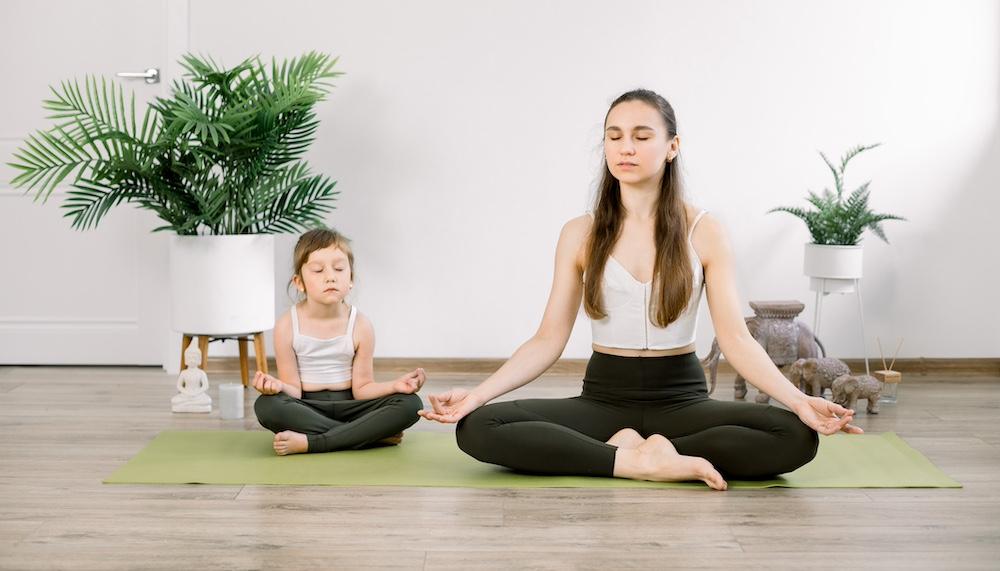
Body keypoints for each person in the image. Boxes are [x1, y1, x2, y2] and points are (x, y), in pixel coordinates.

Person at [419, 89, 862, 490]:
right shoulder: (580, 233)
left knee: (795, 437)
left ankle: (633, 451)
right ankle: (639, 461)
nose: (625, 147)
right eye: (614, 136)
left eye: (641, 136)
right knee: (478, 426)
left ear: (672, 147)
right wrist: (474, 396)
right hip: (603, 399)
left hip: (682, 401)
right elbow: (548, 339)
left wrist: (801, 401)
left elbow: (735, 339)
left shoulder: (704, 230)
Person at [253, 228, 425, 455]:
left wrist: (396, 386)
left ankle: (313, 442)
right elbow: (293, 390)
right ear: (299, 282)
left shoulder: (361, 325)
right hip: (307, 407)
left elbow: (362, 389)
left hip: (352, 405)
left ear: (350, 278)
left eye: (339, 268)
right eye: (317, 270)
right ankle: (369, 436)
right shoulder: (286, 325)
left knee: (411, 405)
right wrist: (276, 386)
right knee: (266, 406)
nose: (330, 276)